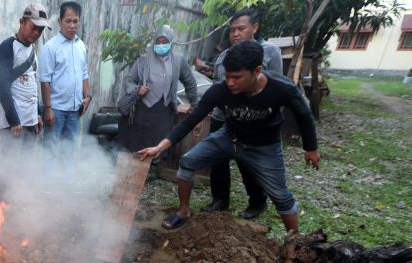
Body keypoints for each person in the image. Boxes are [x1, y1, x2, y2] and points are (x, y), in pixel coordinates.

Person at [137, 40, 320, 235]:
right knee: (188, 161)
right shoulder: (221, 90)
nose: (230, 82)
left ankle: (296, 242)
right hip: (229, 137)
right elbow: (191, 120)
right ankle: (183, 211)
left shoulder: (281, 88)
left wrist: (311, 148)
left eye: (237, 77)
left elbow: (303, 115)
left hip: (264, 146)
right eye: (227, 76)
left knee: (281, 196)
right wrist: (160, 147)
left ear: (257, 71)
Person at [199, 7, 283, 219]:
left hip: (251, 121)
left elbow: (277, 87)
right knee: (218, 160)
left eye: (241, 28)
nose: (235, 34)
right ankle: (220, 198)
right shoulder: (224, 56)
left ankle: (256, 202)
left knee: (248, 161)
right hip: (223, 117)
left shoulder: (270, 52)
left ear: (255, 27)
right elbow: (217, 87)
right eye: (232, 30)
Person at [0, 3, 51, 198]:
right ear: (21, 22)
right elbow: (3, 86)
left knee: (24, 168)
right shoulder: (7, 48)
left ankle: (19, 209)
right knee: (8, 169)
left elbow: (32, 85)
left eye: (40, 29)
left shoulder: (32, 50)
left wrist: (39, 114)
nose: (36, 33)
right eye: (33, 27)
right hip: (13, 122)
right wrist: (14, 121)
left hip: (30, 120)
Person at [116, 25, 198, 153]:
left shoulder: (178, 60)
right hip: (140, 110)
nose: (161, 45)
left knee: (156, 146)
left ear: (171, 43)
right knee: (132, 145)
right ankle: (130, 171)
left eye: (164, 42)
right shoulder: (143, 60)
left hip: (163, 111)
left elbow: (190, 82)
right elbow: (128, 81)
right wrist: (137, 89)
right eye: (158, 42)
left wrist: (194, 105)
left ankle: (150, 171)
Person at [39, 1, 90, 183]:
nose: (72, 25)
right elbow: (45, 80)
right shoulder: (50, 48)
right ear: (60, 21)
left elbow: (84, 74)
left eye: (75, 21)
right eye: (68, 21)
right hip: (56, 109)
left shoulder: (81, 46)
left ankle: (67, 186)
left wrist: (87, 96)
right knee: (51, 149)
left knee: (69, 150)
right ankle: (49, 186)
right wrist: (48, 108)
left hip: (75, 110)